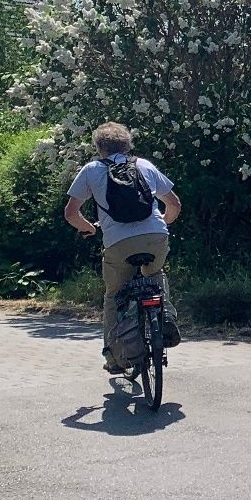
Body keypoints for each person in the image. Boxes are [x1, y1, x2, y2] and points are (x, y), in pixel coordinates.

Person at [63, 122, 182, 373]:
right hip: (156, 235)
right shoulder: (144, 165)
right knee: (155, 275)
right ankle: (165, 316)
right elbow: (174, 204)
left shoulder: (91, 170)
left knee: (114, 295)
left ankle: (115, 358)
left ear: (99, 147)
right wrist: (162, 223)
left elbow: (71, 213)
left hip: (118, 243)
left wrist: (89, 228)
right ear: (127, 145)